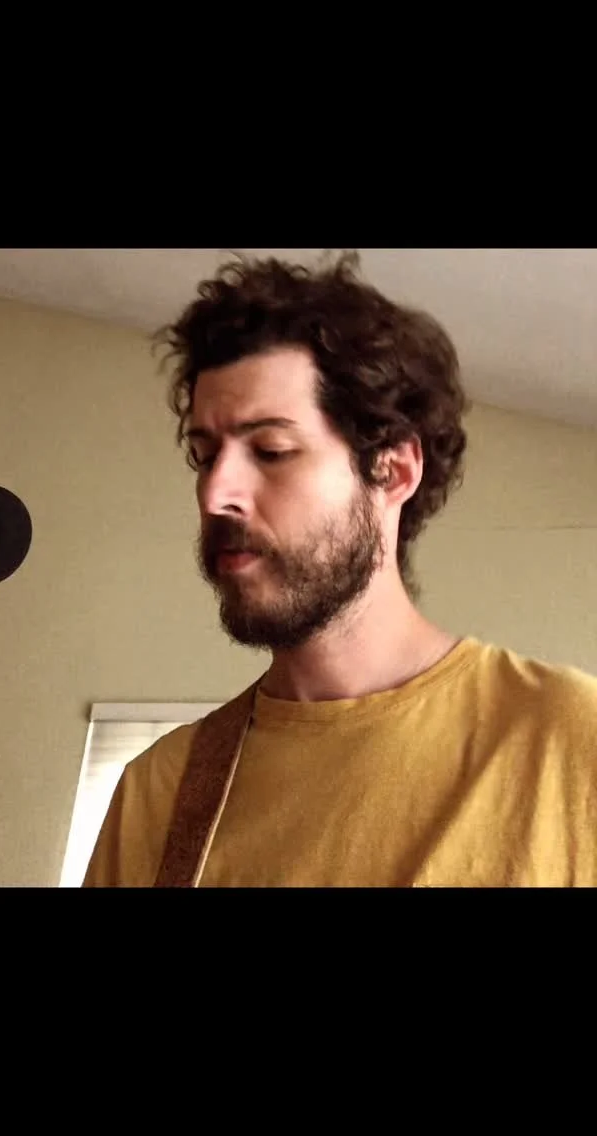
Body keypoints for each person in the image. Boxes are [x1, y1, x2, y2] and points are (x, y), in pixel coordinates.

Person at [83, 251, 597, 888]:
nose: (216, 494)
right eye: (205, 455)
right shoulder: (158, 791)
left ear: (393, 471)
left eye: (271, 450)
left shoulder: (569, 740)